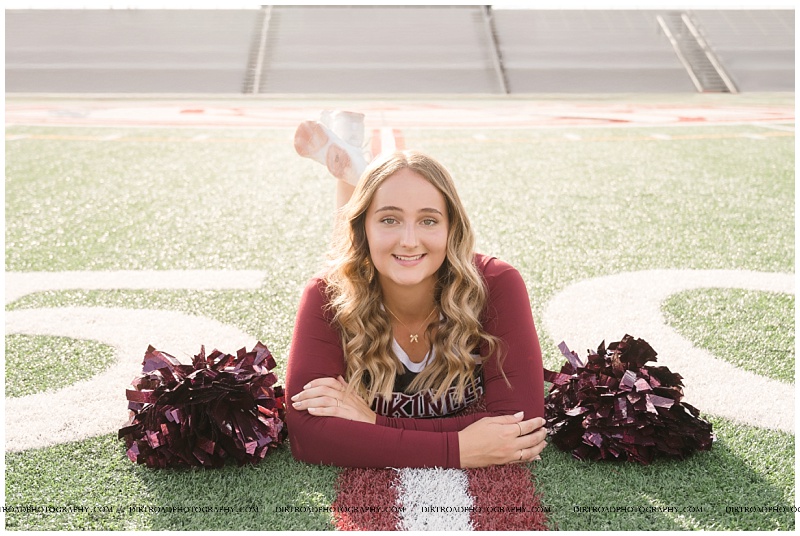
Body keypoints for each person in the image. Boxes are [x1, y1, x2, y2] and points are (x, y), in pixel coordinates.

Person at [285, 114, 547, 468]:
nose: (409, 241)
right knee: (353, 268)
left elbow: (520, 424)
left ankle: (359, 172)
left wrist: (373, 424)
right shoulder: (326, 295)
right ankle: (355, 175)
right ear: (365, 227)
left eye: (428, 220)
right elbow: (307, 435)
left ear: (452, 228)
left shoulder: (496, 284)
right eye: (389, 219)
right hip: (359, 269)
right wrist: (461, 449)